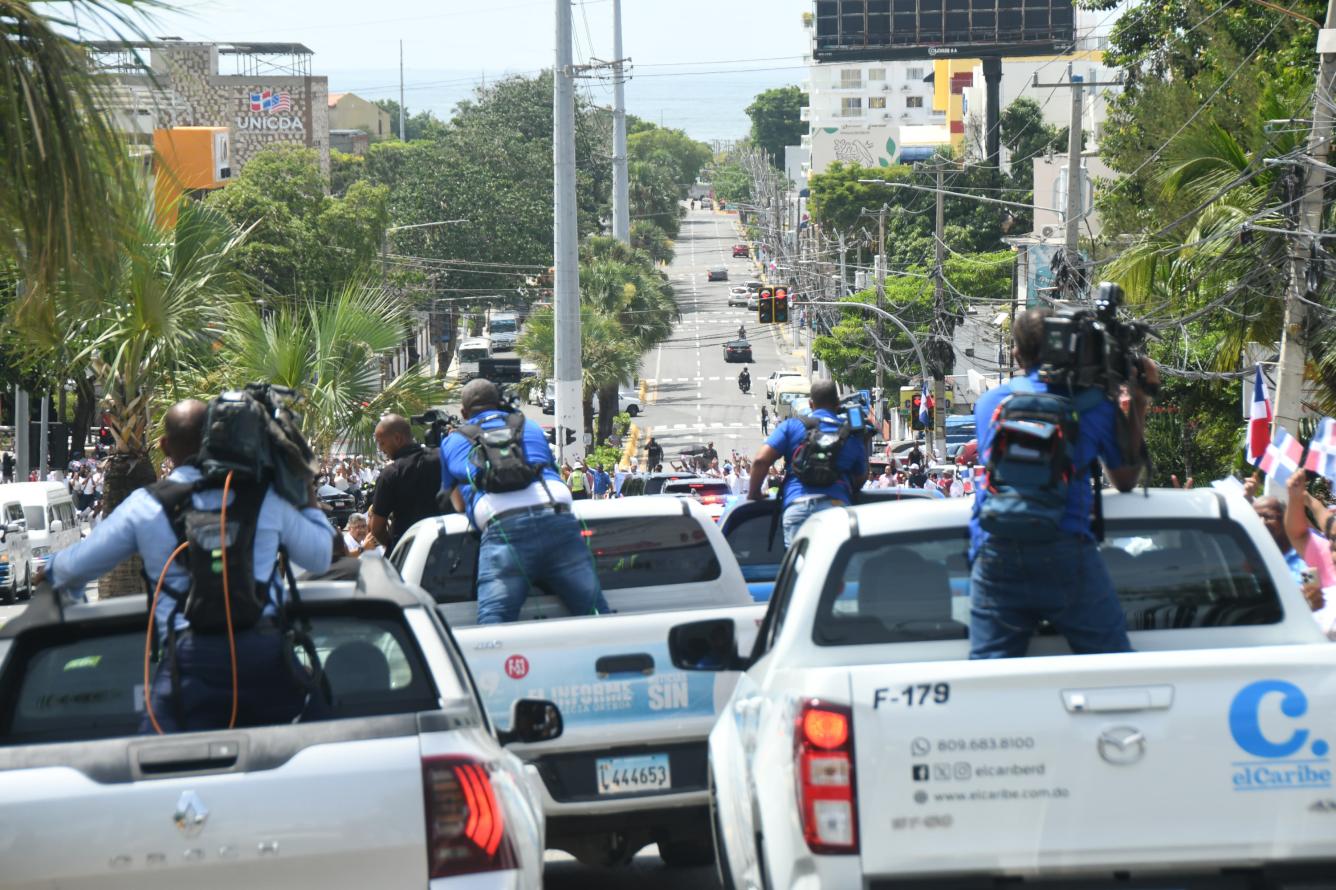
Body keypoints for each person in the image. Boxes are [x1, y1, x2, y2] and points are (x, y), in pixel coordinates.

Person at [41, 399, 336, 732]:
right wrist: (304, 484)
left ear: (165, 446)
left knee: (153, 764)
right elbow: (319, 557)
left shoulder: (146, 506)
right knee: (315, 738)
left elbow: (75, 567)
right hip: (264, 655)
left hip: (190, 661)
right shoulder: (264, 495)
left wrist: (49, 569)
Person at [969, 308, 1157, 660]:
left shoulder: (989, 404)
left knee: (989, 677)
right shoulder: (1095, 407)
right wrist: (1138, 400)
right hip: (1066, 547)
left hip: (997, 550)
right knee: (1112, 664)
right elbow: (1126, 478)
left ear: (1016, 354)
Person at [439, 379, 608, 624]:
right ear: (500, 404)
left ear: (464, 413)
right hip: (557, 515)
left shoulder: (452, 442)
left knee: (494, 625)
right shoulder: (528, 426)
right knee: (595, 612)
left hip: (503, 528)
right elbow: (553, 471)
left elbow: (456, 504)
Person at [747, 380, 868, 547]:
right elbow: (860, 478)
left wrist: (754, 494)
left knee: (802, 570)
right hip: (837, 510)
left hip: (798, 507)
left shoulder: (792, 427)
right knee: (838, 570)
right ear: (837, 404)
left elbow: (760, 461)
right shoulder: (852, 435)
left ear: (811, 404)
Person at [367, 414, 445, 554]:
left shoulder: (390, 474)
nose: (380, 448)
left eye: (382, 443)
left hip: (409, 551)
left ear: (397, 438)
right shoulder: (443, 458)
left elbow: (377, 528)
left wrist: (394, 546)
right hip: (446, 543)